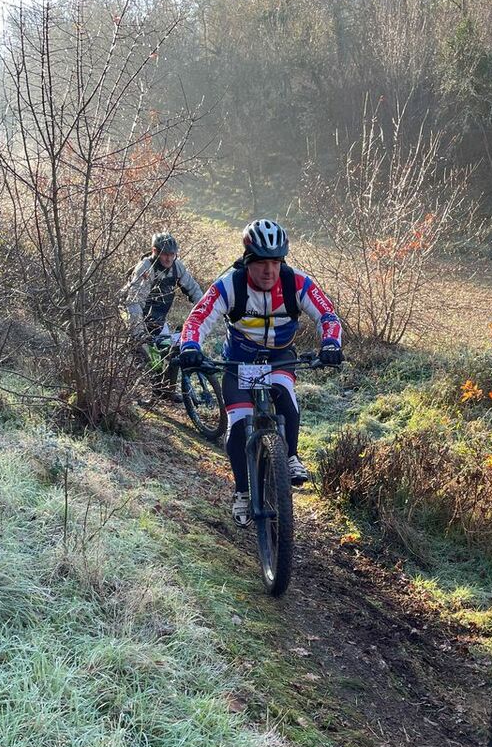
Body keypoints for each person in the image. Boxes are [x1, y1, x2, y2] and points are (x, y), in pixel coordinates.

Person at [178, 218, 342, 526]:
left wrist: (331, 344)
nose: (269, 271)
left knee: (286, 396)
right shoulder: (230, 284)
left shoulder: (297, 283)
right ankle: (242, 491)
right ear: (247, 261)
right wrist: (190, 347)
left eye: (276, 262)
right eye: (262, 263)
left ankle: (290, 456)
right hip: (239, 361)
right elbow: (198, 318)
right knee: (239, 424)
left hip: (280, 357)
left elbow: (327, 315)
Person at [120, 232, 203, 349]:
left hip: (158, 320)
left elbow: (194, 290)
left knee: (169, 351)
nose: (169, 259)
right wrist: (139, 333)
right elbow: (134, 302)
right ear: (155, 251)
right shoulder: (145, 268)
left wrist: (202, 314)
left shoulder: (177, 267)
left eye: (172, 254)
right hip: (134, 316)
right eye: (165, 254)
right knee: (140, 353)